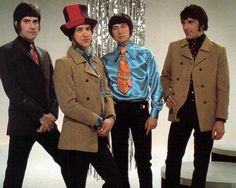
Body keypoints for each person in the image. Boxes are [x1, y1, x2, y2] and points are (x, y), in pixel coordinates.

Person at [161, 4, 230, 188]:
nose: (186, 26)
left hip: (206, 114)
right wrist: (166, 94)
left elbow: (223, 88)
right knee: (172, 160)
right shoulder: (175, 47)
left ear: (202, 24)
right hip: (181, 110)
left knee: (201, 164)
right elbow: (165, 76)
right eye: (184, 22)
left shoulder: (218, 51)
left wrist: (220, 119)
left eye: (191, 22)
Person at [53, 4, 122, 188]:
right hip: (76, 138)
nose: (85, 34)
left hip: (98, 135)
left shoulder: (97, 62)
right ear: (71, 34)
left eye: (88, 29)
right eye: (79, 30)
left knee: (116, 182)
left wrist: (111, 117)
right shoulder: (63, 63)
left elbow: (106, 92)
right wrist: (99, 121)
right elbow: (68, 104)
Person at [0, 2, 67, 188]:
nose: (32, 26)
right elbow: (13, 91)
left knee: (69, 163)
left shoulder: (44, 54)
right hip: (22, 124)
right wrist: (41, 116)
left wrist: (52, 115)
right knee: (14, 175)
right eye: (26, 21)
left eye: (35, 21)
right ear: (17, 24)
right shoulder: (5, 52)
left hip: (48, 123)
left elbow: (53, 88)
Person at [102, 13, 163, 188]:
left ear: (131, 29)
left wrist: (154, 114)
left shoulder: (145, 54)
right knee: (119, 157)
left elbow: (156, 85)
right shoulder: (106, 60)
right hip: (117, 110)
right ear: (111, 33)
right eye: (115, 28)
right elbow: (103, 91)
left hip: (140, 110)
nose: (120, 31)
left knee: (144, 158)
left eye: (123, 26)